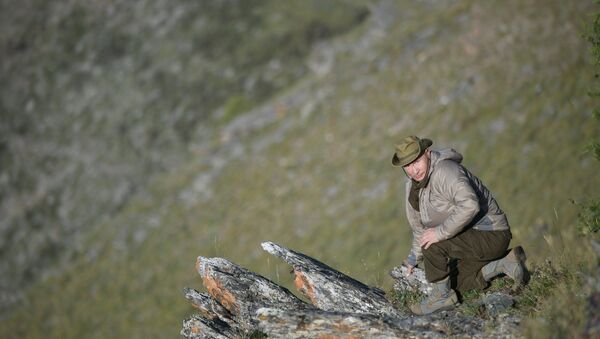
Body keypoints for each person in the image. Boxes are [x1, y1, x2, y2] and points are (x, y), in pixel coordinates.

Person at [392, 136, 529, 315]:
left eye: (416, 161)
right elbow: (420, 229)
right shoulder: (412, 188)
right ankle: (506, 263)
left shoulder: (446, 171)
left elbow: (470, 205)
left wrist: (439, 233)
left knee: (433, 243)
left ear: (427, 153)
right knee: (455, 283)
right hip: (468, 240)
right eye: (407, 166)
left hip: (491, 234)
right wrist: (412, 259)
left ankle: (441, 299)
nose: (413, 170)